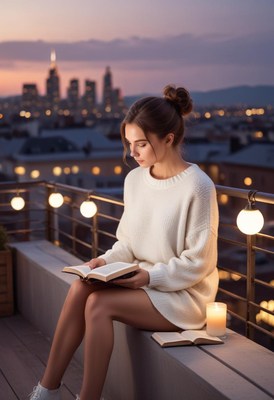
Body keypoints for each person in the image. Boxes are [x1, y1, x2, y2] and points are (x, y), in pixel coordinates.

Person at [30, 84, 219, 400]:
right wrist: (104, 261)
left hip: (182, 296)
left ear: (168, 139)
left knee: (99, 304)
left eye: (141, 144)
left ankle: (88, 398)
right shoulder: (135, 180)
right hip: (142, 284)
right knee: (81, 288)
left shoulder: (198, 187)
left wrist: (149, 276)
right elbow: (128, 242)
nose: (132, 153)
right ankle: (46, 390)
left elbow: (198, 262)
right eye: (129, 143)